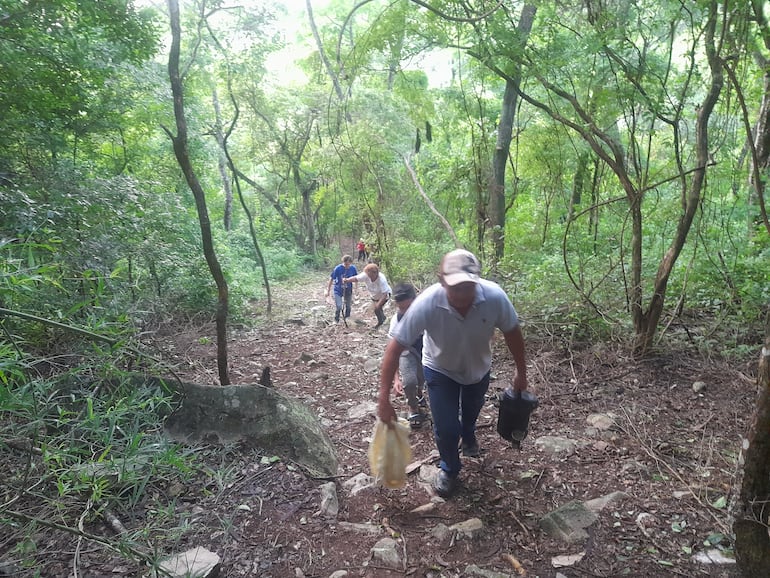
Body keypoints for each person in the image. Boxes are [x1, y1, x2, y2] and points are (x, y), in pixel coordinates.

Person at [377, 249, 528, 498]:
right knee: (447, 427)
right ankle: (449, 467)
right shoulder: (427, 302)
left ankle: (468, 435)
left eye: (467, 286)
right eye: (454, 287)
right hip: (439, 369)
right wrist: (383, 398)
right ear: (442, 280)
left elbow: (513, 333)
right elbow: (395, 348)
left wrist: (521, 373)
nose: (461, 294)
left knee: (470, 413)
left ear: (477, 281)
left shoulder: (494, 297)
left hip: (478, 370)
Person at [389, 283, 428, 429]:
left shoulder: (426, 314)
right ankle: (413, 408)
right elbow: (392, 352)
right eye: (401, 308)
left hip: (425, 351)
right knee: (410, 381)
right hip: (406, 352)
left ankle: (419, 393)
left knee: (421, 378)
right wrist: (396, 379)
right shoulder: (396, 321)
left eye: (408, 307)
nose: (406, 312)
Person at [344, 263, 391, 328]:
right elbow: (356, 278)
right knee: (378, 309)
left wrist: (378, 304)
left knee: (377, 309)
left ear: (375, 273)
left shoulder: (382, 279)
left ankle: (381, 323)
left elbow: (384, 294)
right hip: (374, 296)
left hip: (384, 296)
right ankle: (383, 320)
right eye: (368, 275)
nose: (369, 277)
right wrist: (347, 280)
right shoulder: (366, 275)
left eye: (371, 275)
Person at [325, 255, 357, 324]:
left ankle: (347, 319)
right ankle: (336, 319)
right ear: (343, 262)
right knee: (339, 306)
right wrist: (328, 290)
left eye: (348, 264)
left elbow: (356, 278)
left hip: (348, 290)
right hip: (338, 290)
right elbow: (331, 279)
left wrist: (356, 289)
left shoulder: (353, 268)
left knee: (348, 306)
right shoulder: (338, 268)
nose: (347, 266)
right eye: (346, 264)